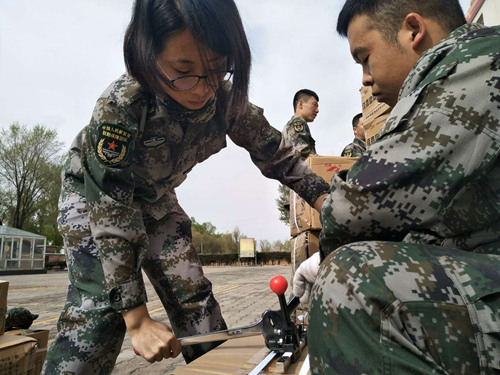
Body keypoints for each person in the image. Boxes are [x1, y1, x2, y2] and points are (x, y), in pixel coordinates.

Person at [42, 1, 330, 374]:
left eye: (215, 71)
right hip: (95, 200)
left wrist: (329, 202)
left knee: (196, 302)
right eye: (183, 71)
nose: (201, 88)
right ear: (148, 53)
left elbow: (279, 156)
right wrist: (138, 320)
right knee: (101, 311)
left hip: (157, 201)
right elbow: (112, 207)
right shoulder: (122, 106)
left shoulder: (224, 101)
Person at [293, 0, 500, 373]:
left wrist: (324, 258)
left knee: (351, 281)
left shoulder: (473, 65)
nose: (365, 79)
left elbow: (353, 210)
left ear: (412, 30)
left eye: (365, 57)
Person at [282, 89, 319, 159]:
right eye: (314, 105)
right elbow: (303, 154)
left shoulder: (291, 124)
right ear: (301, 104)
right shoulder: (297, 122)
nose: (317, 110)